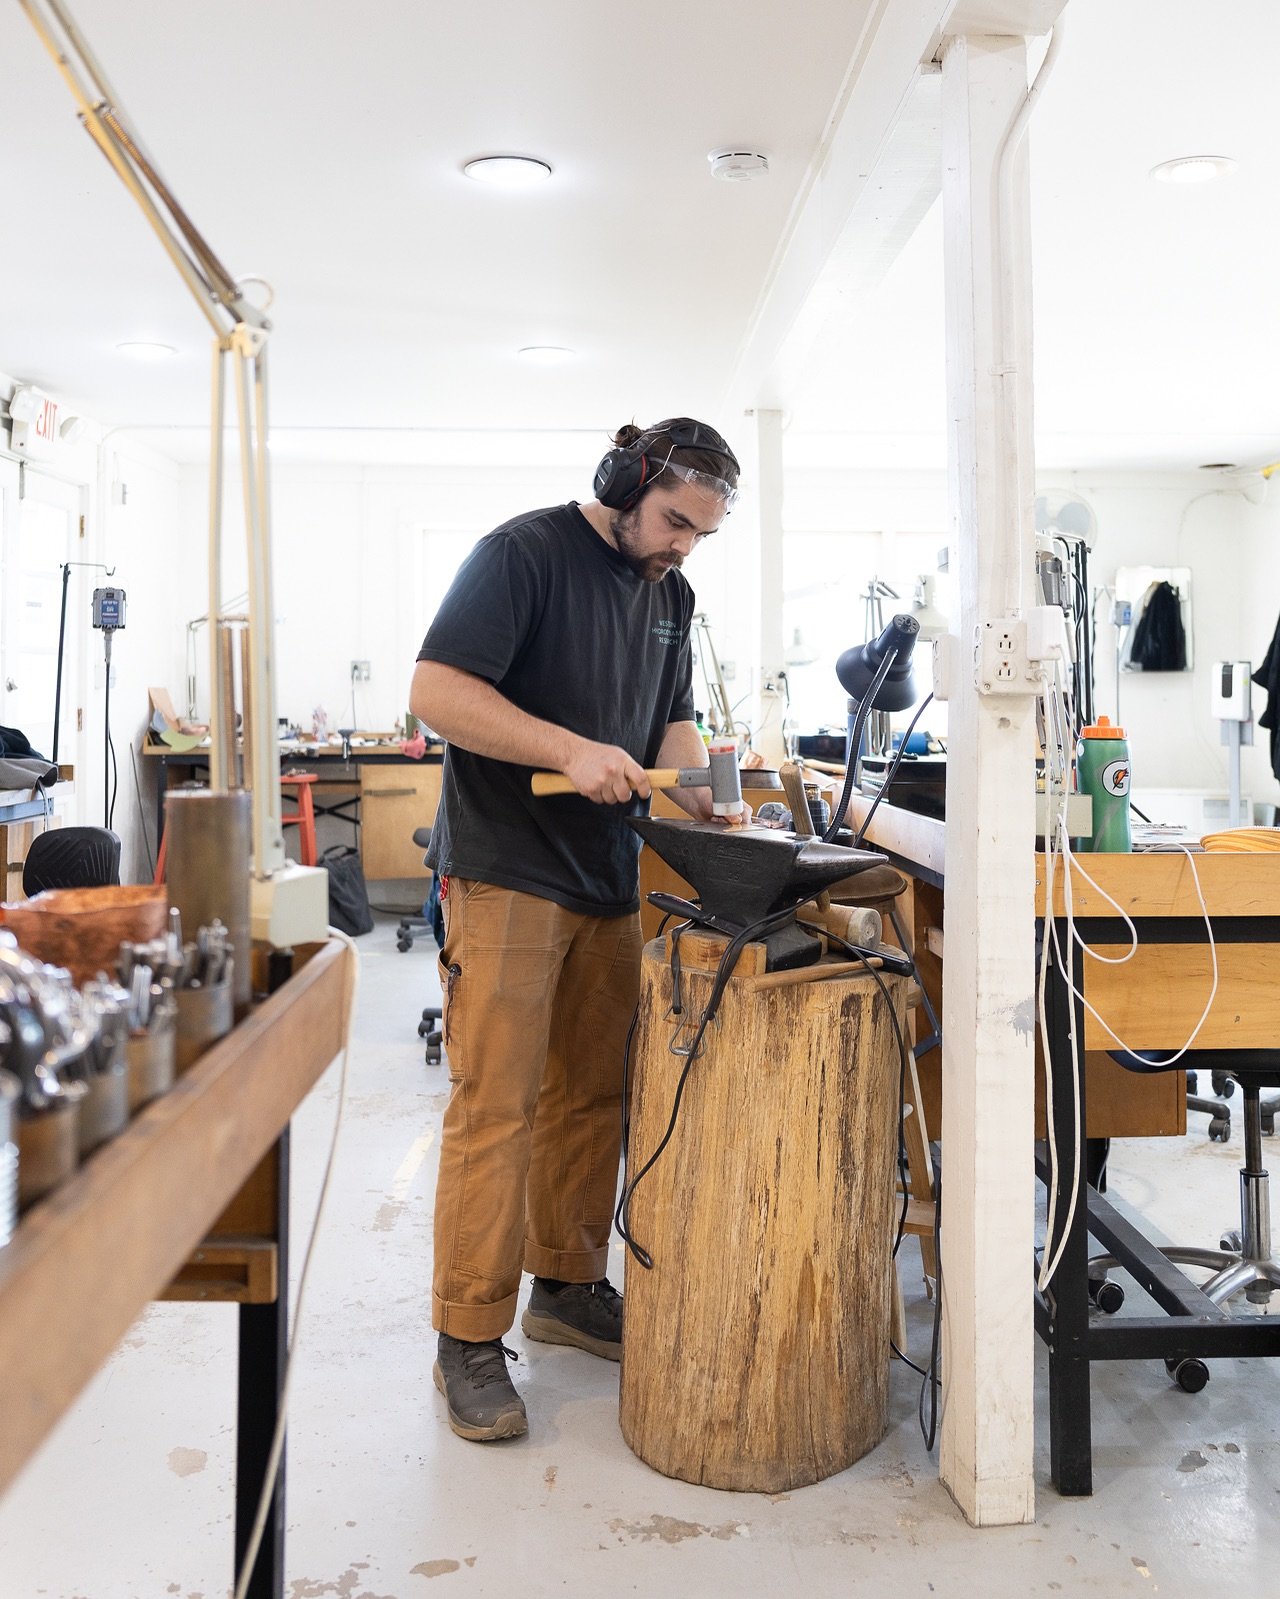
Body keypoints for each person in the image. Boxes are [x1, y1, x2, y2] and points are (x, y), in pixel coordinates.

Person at [408, 417, 742, 1442]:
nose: (683, 544)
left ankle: (563, 1285)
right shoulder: (522, 555)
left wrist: (701, 793)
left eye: (702, 533)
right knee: (495, 1104)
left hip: (606, 873)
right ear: (625, 480)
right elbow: (434, 694)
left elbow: (668, 719)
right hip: (507, 866)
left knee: (591, 1096)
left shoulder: (668, 594)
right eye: (675, 520)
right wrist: (568, 747)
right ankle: (467, 1336)